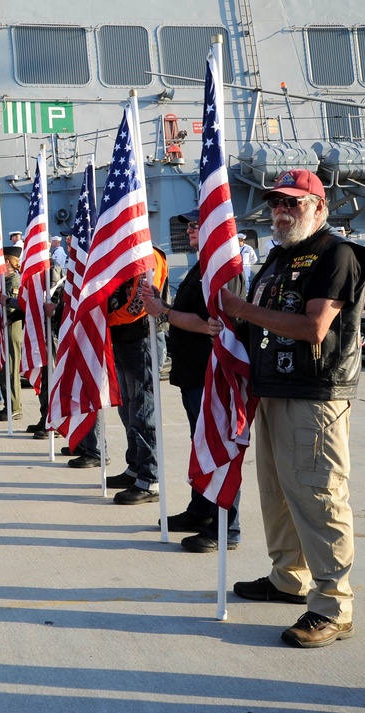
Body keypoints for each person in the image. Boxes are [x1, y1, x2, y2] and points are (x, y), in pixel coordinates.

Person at [218, 168, 365, 648]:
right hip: (274, 391)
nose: (282, 212)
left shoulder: (337, 255)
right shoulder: (278, 258)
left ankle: (333, 607)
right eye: (276, 204)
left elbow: (313, 328)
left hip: (315, 395)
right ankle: (288, 578)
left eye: (294, 203)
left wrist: (241, 310)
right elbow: (252, 326)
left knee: (319, 495)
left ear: (320, 208)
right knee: (279, 494)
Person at [141, 212, 244, 550]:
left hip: (211, 373)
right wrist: (161, 303)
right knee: (202, 444)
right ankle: (200, 511)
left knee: (219, 445)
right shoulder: (201, 267)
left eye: (196, 225)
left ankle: (226, 527)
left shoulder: (221, 271)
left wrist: (164, 311)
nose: (189, 229)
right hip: (192, 373)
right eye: (187, 225)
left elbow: (208, 323)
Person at [104, 246, 168, 505]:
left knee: (143, 410)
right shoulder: (122, 255)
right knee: (128, 409)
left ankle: (149, 478)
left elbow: (139, 304)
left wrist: (108, 319)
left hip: (141, 340)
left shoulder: (147, 255)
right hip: (122, 341)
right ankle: (135, 467)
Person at [0, 246, 24, 421]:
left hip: (12, 327)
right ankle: (8, 404)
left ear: (7, 262)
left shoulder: (13, 281)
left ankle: (15, 407)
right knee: (4, 369)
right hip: (4, 327)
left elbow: (15, 307)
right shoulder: (4, 280)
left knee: (12, 369)